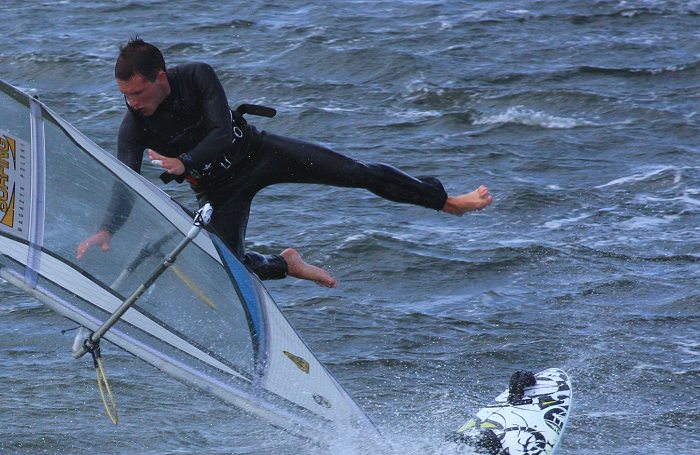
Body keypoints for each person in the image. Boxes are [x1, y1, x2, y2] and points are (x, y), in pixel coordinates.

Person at [77, 38, 493, 287]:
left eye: (137, 94)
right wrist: (106, 228)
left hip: (262, 154)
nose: (132, 104)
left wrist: (184, 162)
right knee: (230, 263)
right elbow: (125, 180)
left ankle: (446, 201)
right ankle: (287, 264)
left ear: (160, 77)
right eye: (125, 96)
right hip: (221, 189)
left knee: (357, 172)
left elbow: (222, 131)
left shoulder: (196, 75)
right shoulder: (134, 128)